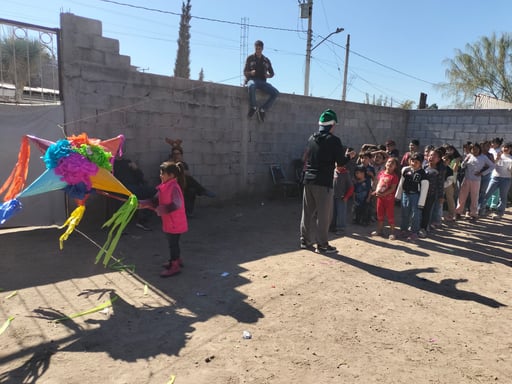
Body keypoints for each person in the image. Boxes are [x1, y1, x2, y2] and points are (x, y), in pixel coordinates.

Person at [300, 108, 355, 254]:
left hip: (308, 180)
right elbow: (341, 162)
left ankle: (305, 240)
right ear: (332, 125)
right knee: (324, 215)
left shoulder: (311, 138)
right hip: (323, 182)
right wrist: (350, 156)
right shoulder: (334, 140)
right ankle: (322, 245)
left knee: (307, 212)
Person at [155, 161, 188, 277]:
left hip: (175, 223)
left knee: (173, 244)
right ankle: (176, 260)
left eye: (163, 173)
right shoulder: (164, 186)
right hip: (171, 222)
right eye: (161, 173)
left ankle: (174, 266)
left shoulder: (173, 187)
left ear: (172, 175)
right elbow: (154, 201)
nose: (161, 175)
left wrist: (160, 210)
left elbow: (177, 204)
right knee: (174, 243)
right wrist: (141, 204)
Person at [166, 139, 216, 217]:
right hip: (173, 186)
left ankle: (189, 212)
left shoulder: (183, 164)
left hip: (184, 185)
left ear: (181, 155)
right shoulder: (168, 163)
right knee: (185, 177)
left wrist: (181, 168)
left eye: (178, 154)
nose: (176, 155)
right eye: (174, 154)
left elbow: (187, 174)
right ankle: (202, 190)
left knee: (192, 190)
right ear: (172, 155)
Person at [113, 156, 156, 231]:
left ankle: (142, 221)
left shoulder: (128, 161)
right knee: (127, 194)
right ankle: (119, 226)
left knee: (154, 193)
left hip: (135, 187)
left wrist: (136, 169)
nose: (119, 153)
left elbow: (140, 177)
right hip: (122, 188)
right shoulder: (112, 163)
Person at [454, 142, 495, 221]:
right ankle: (458, 212)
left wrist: (482, 173)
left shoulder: (483, 157)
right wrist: (465, 161)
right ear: (471, 150)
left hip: (476, 180)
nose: (475, 150)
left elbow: (492, 166)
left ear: (479, 149)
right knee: (462, 196)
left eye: (476, 149)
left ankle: (473, 214)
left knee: (474, 197)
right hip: (466, 179)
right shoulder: (469, 156)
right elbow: (462, 166)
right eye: (473, 149)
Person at [395, 152, 429, 242]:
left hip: (416, 196)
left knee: (415, 215)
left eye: (416, 162)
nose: (413, 163)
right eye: (412, 161)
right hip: (405, 194)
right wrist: (398, 195)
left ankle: (414, 232)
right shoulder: (405, 170)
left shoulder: (423, 174)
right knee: (404, 213)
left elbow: (424, 189)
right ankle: (403, 230)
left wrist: (421, 203)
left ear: (421, 163)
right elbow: (401, 183)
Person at [243, 40, 279, 122]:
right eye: (256, 49)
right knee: (251, 86)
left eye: (259, 49)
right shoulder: (250, 58)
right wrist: (250, 73)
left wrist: (268, 75)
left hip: (263, 82)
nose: (258, 50)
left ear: (262, 49)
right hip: (252, 80)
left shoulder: (266, 60)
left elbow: (272, 73)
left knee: (275, 93)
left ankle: (262, 109)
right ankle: (254, 107)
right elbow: (245, 72)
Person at [371, 157, 399, 240]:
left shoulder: (394, 177)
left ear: (395, 167)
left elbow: (392, 189)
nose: (390, 164)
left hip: (389, 200)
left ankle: (392, 232)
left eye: (392, 163)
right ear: (385, 163)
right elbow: (378, 183)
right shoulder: (381, 173)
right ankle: (379, 231)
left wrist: (383, 194)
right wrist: (376, 191)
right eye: (389, 162)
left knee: (390, 216)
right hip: (380, 199)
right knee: (380, 215)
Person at [482, 141, 512, 219]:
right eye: (504, 147)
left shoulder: (511, 158)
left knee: (503, 197)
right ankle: (481, 209)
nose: (505, 149)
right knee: (486, 194)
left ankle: (499, 213)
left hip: (506, 179)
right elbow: (493, 164)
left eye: (508, 148)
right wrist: (497, 158)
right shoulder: (497, 154)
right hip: (495, 177)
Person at [330, 163, 354, 236]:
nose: (338, 166)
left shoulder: (346, 173)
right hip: (332, 196)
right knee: (332, 213)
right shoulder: (333, 171)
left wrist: (347, 196)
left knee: (341, 213)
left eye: (340, 164)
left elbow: (351, 187)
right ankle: (332, 226)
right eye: (337, 164)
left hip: (342, 197)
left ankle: (341, 228)